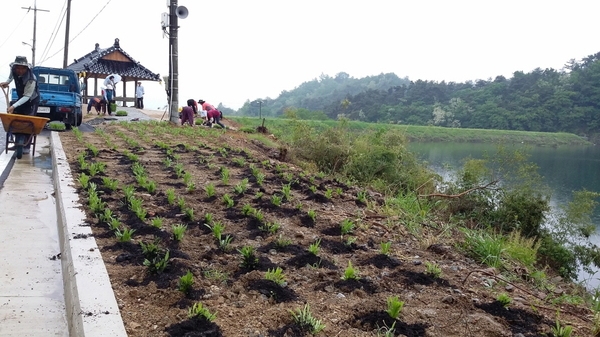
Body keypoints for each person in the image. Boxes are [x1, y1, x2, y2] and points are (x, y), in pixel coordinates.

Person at [0, 56, 40, 155]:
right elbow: (11, 75)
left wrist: (13, 106)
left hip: (31, 100)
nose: (20, 70)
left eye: (23, 68)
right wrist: (7, 82)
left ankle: (26, 146)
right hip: (21, 97)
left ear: (27, 68)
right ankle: (17, 142)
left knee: (29, 122)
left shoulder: (31, 79)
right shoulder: (14, 70)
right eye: (18, 67)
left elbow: (27, 97)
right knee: (15, 120)